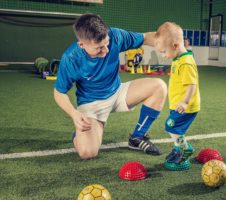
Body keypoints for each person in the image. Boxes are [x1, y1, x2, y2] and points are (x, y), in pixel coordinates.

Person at [54, 14, 167, 159]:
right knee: (87, 153)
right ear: (82, 44)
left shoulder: (115, 35)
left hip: (118, 92)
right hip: (91, 104)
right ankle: (81, 135)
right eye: (99, 48)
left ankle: (137, 138)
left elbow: (145, 37)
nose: (106, 50)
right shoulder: (71, 59)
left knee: (159, 86)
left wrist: (165, 42)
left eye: (106, 44)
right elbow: (59, 92)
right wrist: (74, 114)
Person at [154, 22, 200, 167]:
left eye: (163, 51)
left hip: (186, 106)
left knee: (171, 126)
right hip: (177, 104)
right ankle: (177, 149)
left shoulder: (186, 62)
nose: (163, 55)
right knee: (175, 128)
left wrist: (185, 102)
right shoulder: (178, 59)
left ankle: (186, 149)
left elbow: (191, 85)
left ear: (175, 45)